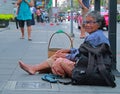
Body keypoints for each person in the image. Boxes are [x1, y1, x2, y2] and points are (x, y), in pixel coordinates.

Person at [19, 11, 110, 77]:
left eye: (90, 22)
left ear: (98, 24)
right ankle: (36, 68)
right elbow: (85, 51)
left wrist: (66, 56)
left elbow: (83, 56)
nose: (87, 25)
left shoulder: (94, 37)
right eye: (86, 22)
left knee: (58, 60)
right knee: (58, 58)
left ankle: (35, 68)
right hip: (91, 65)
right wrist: (69, 50)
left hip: (90, 69)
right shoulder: (97, 34)